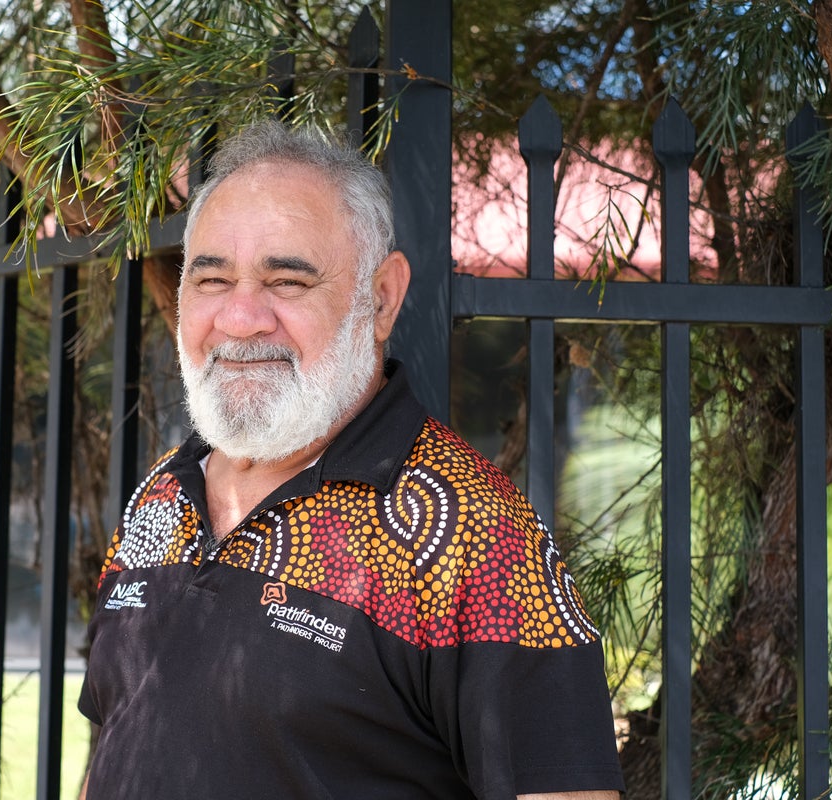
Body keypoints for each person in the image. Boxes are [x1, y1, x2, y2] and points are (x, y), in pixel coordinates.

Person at [77, 120, 625, 800]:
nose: (242, 317)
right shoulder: (160, 497)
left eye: (288, 281)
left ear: (383, 297)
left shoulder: (472, 533)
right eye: (212, 278)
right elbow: (117, 742)